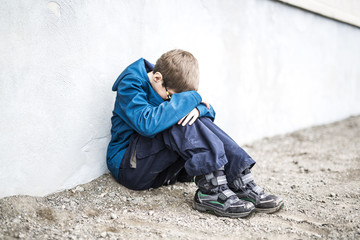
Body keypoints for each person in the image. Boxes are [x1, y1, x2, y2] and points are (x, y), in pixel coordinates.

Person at [107, 49, 283, 218]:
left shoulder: (168, 81)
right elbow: (147, 124)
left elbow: (208, 111)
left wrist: (198, 109)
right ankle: (212, 190)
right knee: (174, 118)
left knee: (190, 117)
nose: (171, 99)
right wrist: (191, 99)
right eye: (171, 96)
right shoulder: (130, 85)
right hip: (130, 168)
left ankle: (238, 178)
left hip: (163, 170)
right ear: (157, 77)